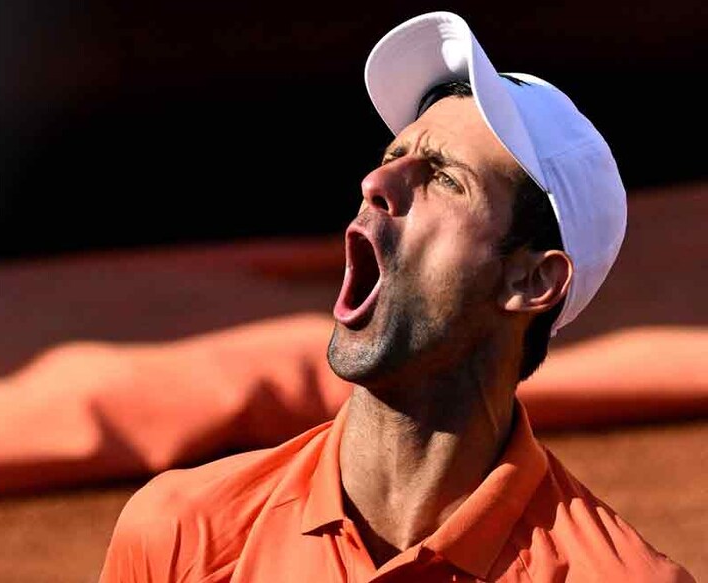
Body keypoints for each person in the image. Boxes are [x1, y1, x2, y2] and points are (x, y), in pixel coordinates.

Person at [97, 12, 694, 582]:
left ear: (532, 281)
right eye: (392, 157)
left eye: (443, 176)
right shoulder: (182, 536)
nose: (375, 183)